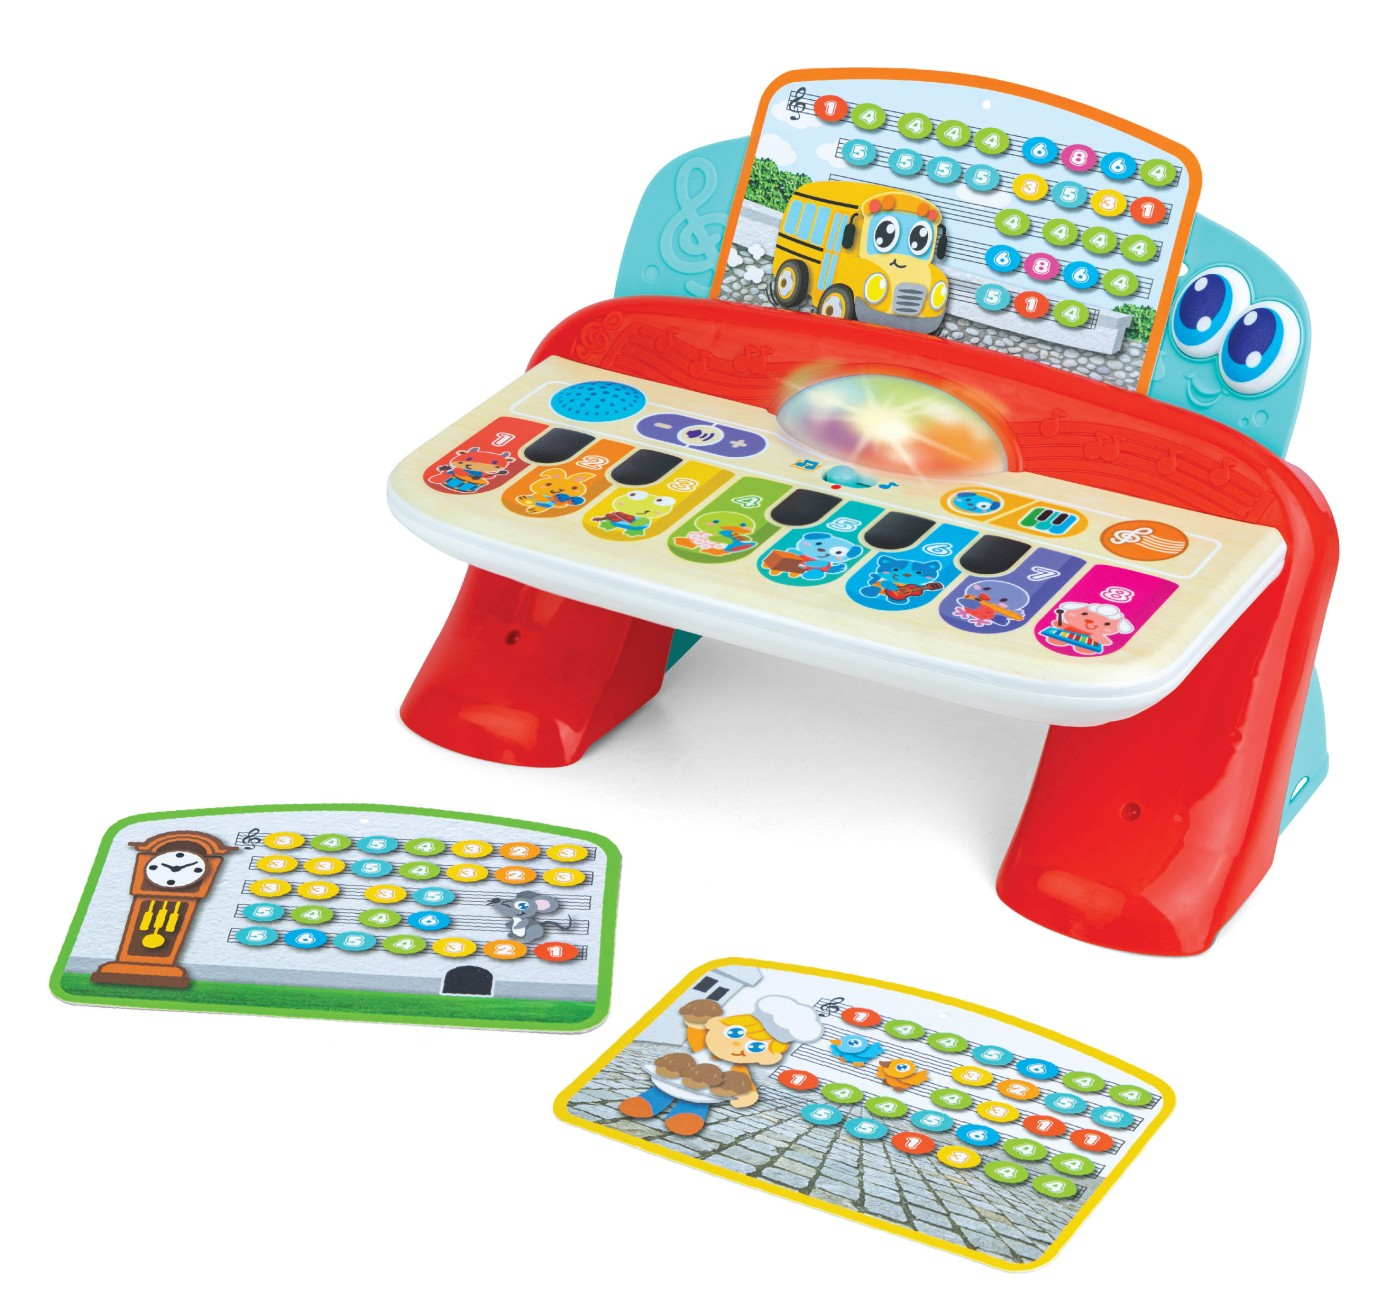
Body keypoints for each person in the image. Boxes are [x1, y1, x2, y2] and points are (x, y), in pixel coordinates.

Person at [619, 994, 823, 1136]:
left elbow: (745, 1084)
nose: (738, 1045)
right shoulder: (702, 1047)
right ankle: (646, 1104)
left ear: (769, 1057)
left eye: (755, 1047)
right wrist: (696, 1018)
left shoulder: (737, 1069)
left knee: (697, 1103)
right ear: (717, 1025)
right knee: (662, 1089)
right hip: (675, 1077)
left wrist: (747, 1095)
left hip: (705, 1093)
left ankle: (686, 1117)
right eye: (735, 1033)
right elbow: (696, 1030)